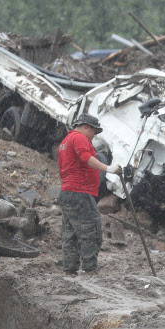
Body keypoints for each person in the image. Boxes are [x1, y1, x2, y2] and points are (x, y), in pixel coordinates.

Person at [57, 114, 122, 276]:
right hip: (80, 193)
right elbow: (86, 158)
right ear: (87, 126)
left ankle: (70, 270)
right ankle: (90, 270)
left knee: (70, 234)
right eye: (94, 131)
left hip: (67, 192)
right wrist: (108, 168)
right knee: (90, 232)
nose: (94, 136)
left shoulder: (64, 143)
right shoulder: (79, 138)